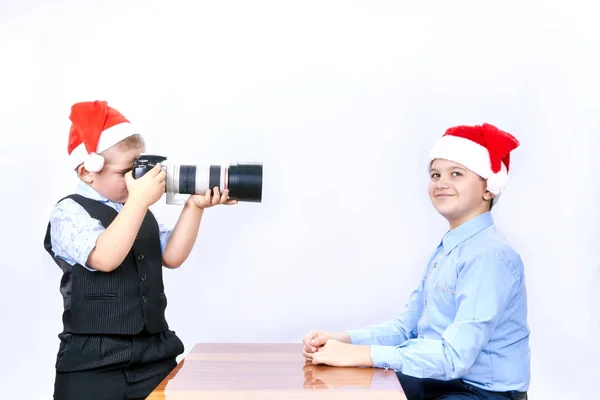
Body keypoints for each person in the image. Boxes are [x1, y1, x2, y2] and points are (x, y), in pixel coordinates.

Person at [302, 123, 530, 400]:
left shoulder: (488, 256)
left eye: (456, 174)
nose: (441, 183)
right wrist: (344, 340)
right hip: (440, 381)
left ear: (489, 189)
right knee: (341, 390)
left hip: (480, 393)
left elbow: (454, 357)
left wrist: (359, 355)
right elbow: (408, 328)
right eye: (435, 174)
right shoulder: (450, 248)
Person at [44, 100, 236, 400]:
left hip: (153, 354)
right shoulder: (69, 212)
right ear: (87, 172)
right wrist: (138, 201)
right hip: (93, 362)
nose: (137, 181)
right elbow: (105, 257)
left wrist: (194, 205)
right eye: (126, 173)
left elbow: (171, 256)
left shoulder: (137, 211)